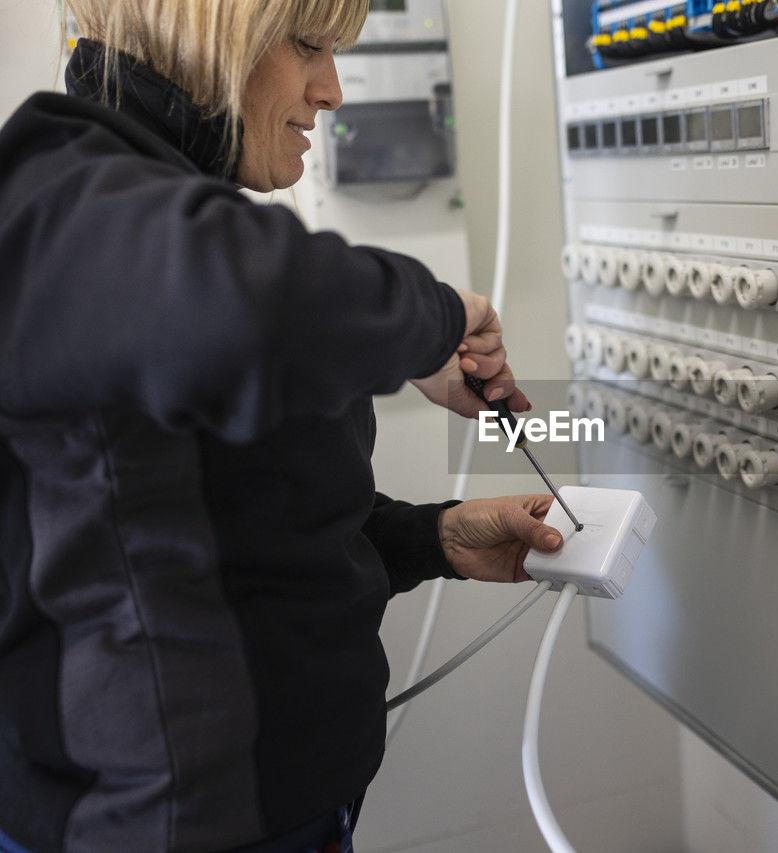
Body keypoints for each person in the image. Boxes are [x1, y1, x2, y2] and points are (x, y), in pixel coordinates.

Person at [0, 1, 562, 850]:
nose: (331, 90)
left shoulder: (168, 220)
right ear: (206, 29)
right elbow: (255, 310)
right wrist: (437, 315)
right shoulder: (62, 195)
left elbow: (226, 521)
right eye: (309, 46)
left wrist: (433, 538)